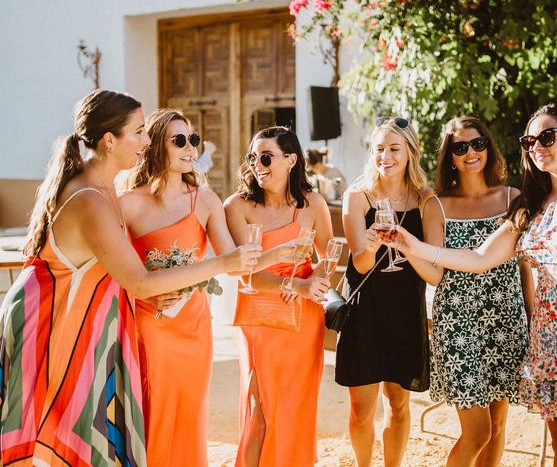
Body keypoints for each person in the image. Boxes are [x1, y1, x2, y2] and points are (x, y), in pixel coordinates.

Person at [0, 90, 258, 467]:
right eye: (139, 132)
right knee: (47, 440)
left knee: (74, 440)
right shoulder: (90, 198)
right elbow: (138, 280)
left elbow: (120, 274)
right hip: (49, 324)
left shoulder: (106, 189)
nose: (147, 141)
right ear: (109, 140)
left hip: (73, 324)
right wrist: (225, 262)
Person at [392, 104, 557, 467]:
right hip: (550, 348)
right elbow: (478, 259)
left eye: (548, 136)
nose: (537, 145)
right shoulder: (531, 206)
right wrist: (410, 245)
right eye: (530, 140)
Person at [120, 109, 296, 467]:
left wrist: (275, 254)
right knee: (153, 414)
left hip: (194, 326)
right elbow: (113, 272)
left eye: (193, 140)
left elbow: (233, 264)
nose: (189, 148)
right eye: (179, 140)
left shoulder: (205, 200)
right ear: (155, 146)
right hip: (148, 325)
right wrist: (145, 291)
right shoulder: (128, 204)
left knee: (190, 415)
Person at [418, 116, 530, 467]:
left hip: (507, 321)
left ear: (488, 147)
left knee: (497, 425)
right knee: (478, 430)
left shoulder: (514, 198)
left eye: (477, 143)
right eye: (460, 147)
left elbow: (524, 267)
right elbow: (434, 276)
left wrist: (532, 318)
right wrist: (407, 249)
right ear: (450, 156)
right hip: (458, 324)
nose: (470, 152)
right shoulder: (436, 206)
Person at [224, 126, 333, 467]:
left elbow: (328, 257)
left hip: (303, 321)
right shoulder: (237, 207)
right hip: (259, 317)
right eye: (253, 157)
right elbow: (246, 269)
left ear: (290, 160)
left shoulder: (313, 204)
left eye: (267, 157)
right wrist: (295, 286)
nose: (258, 164)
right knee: (259, 409)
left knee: (295, 407)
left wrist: (316, 280)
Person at [336, 116, 432, 467]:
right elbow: (360, 265)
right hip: (366, 314)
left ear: (410, 152)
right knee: (361, 412)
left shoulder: (425, 199)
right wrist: (373, 242)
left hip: (406, 311)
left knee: (399, 403)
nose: (386, 156)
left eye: (394, 148)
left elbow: (434, 258)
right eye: (379, 149)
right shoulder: (358, 197)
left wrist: (407, 246)